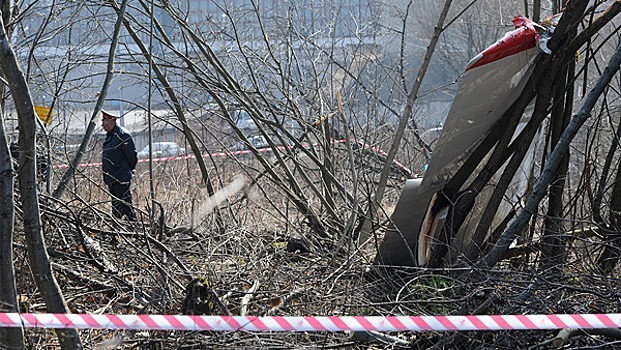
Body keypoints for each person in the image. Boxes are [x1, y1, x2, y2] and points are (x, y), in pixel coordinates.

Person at [101, 110, 138, 221]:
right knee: (116, 208)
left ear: (111, 121)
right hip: (112, 178)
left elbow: (132, 156)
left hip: (121, 177)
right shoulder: (110, 136)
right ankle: (116, 232)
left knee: (126, 205)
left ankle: (134, 228)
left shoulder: (122, 135)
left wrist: (127, 171)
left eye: (104, 122)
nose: (103, 125)